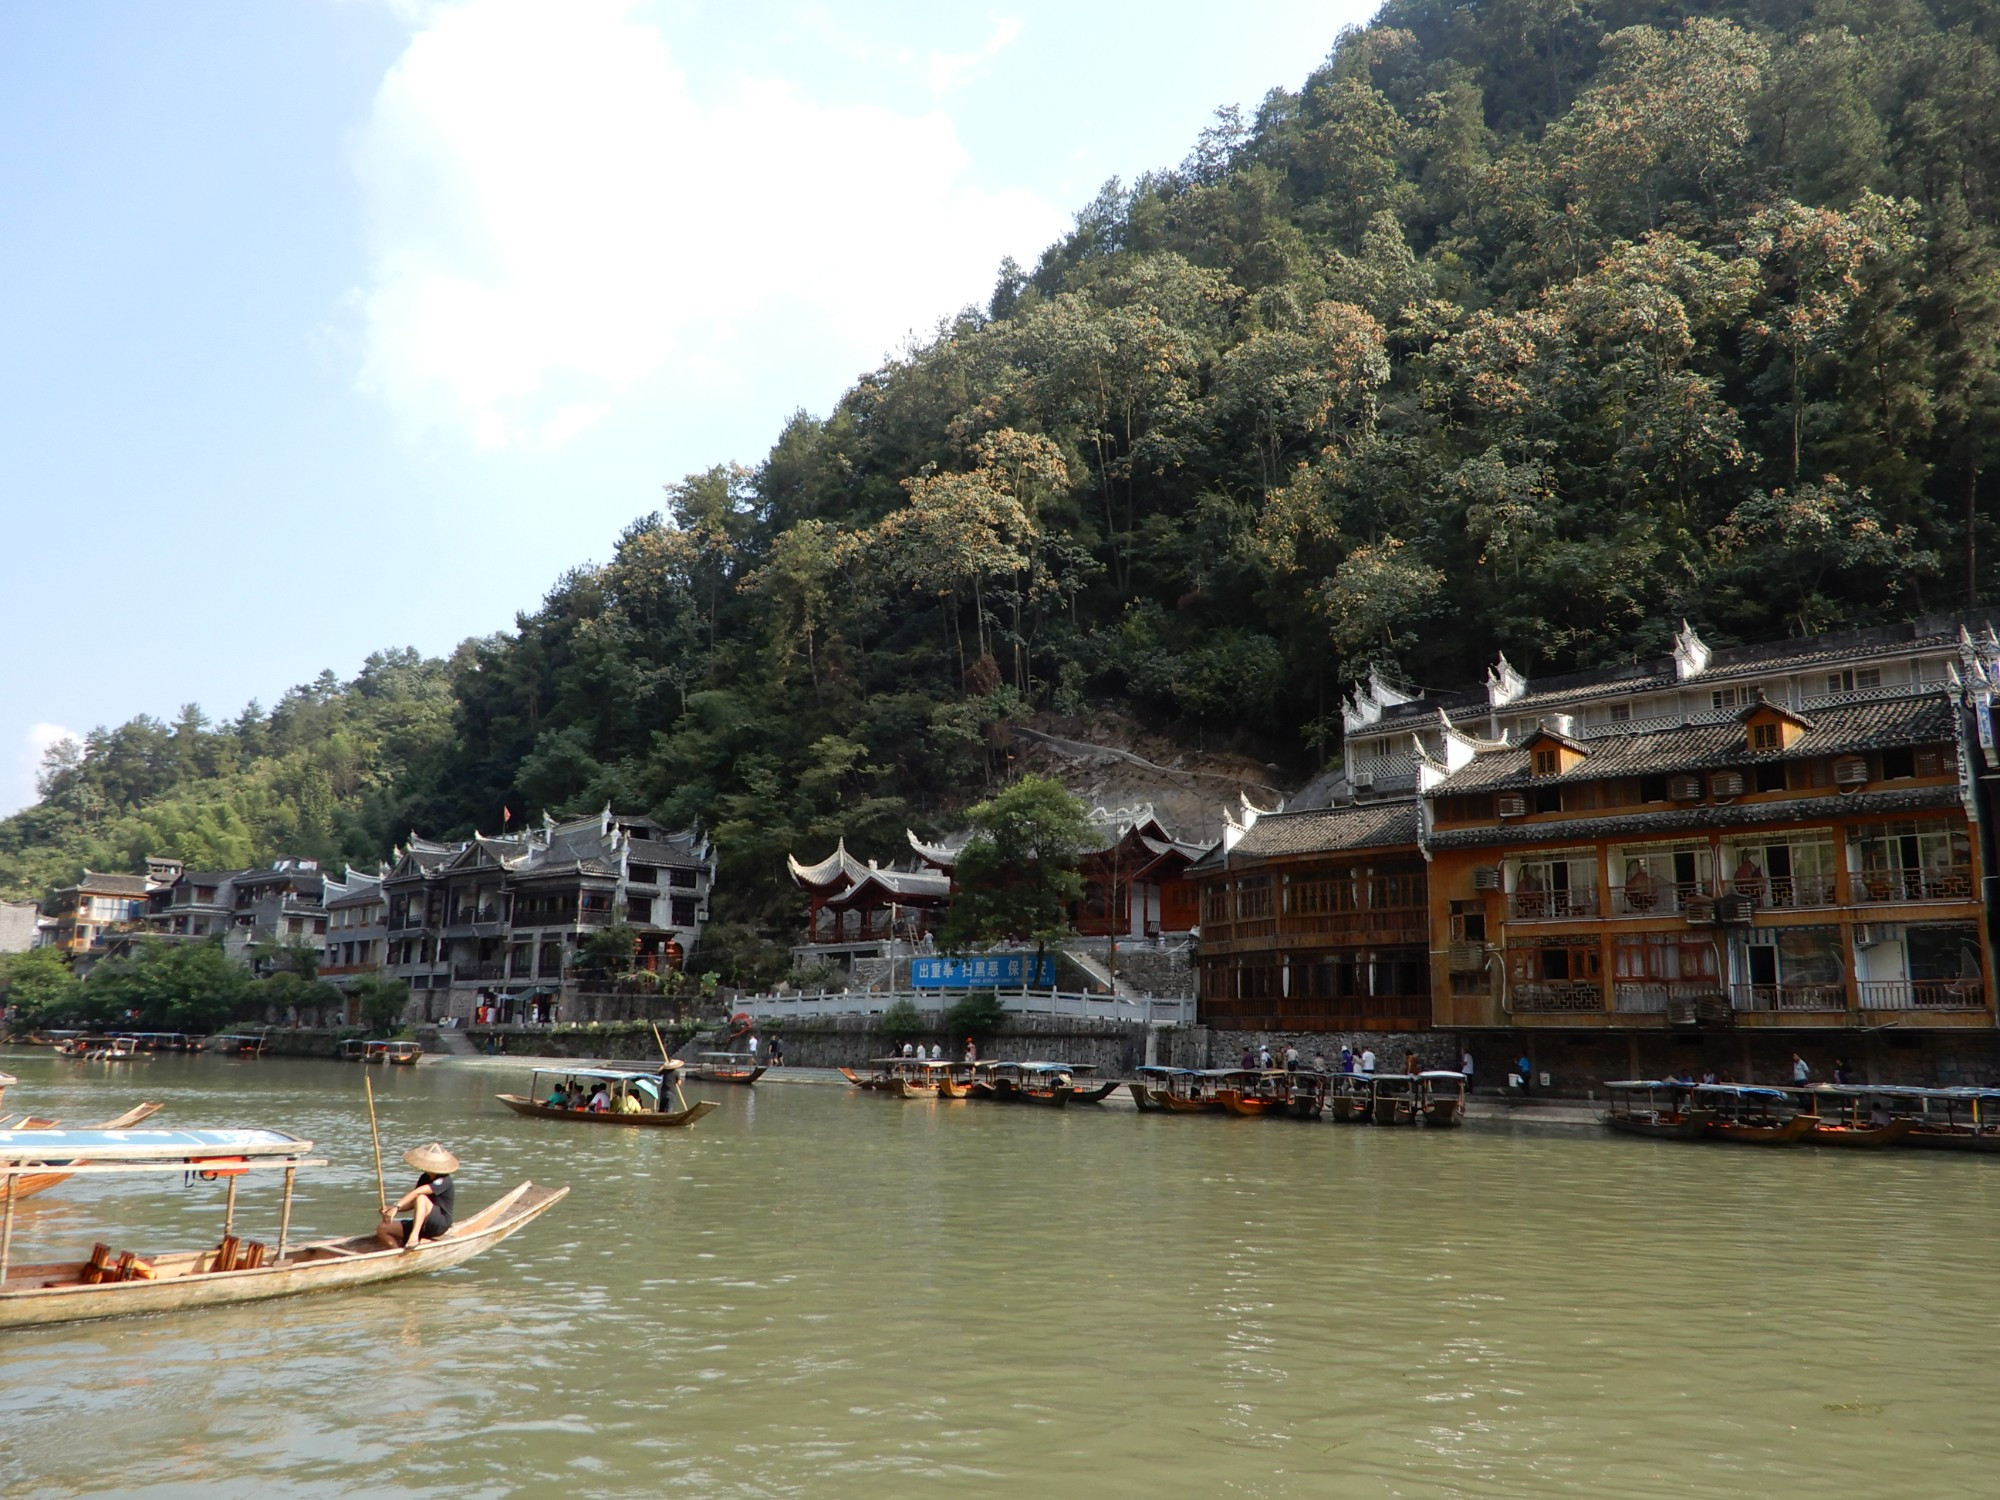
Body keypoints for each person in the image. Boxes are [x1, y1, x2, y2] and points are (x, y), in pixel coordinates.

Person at [376, 1143, 458, 1249]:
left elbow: (418, 1193)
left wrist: (397, 1206)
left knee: (421, 1197)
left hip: (439, 1224)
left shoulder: (445, 1180)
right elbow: (412, 1203)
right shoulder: (424, 1178)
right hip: (421, 1224)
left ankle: (414, 1236)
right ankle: (398, 1254)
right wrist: (390, 1209)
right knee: (382, 1228)